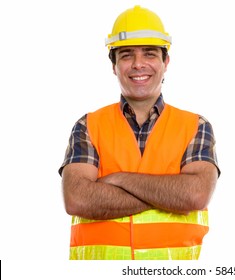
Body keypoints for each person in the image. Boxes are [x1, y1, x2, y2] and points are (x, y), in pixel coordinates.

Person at [58, 5, 220, 260]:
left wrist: (119, 179)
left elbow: (195, 195)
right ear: (114, 65)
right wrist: (169, 197)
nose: (138, 64)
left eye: (149, 53)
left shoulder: (196, 126)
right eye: (126, 55)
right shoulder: (87, 125)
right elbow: (77, 199)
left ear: (166, 62)